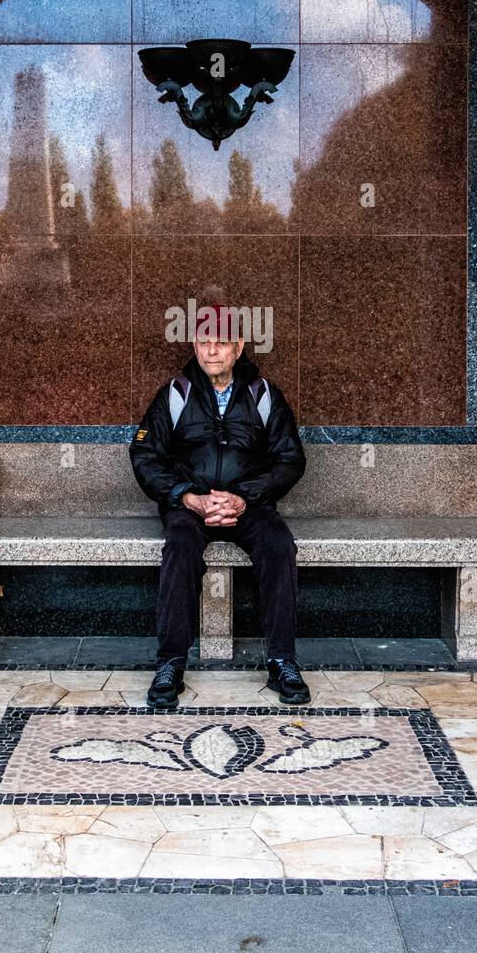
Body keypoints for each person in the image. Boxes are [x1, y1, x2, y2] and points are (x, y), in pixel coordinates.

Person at [129, 302, 310, 710]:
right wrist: (185, 497)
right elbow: (144, 457)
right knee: (179, 548)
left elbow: (290, 459)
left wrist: (245, 497)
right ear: (194, 344)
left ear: (239, 346)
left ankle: (282, 660)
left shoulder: (263, 395)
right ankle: (171, 662)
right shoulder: (176, 394)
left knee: (279, 546)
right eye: (204, 341)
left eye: (222, 342)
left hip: (250, 504)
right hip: (190, 505)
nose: (212, 351)